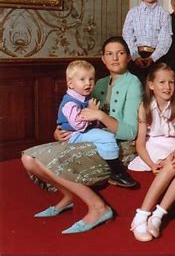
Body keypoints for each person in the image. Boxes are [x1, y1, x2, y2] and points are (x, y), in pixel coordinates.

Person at [21, 36, 142, 234]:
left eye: (120, 53)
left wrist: (101, 115)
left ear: (128, 57)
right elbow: (76, 115)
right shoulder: (98, 83)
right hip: (89, 136)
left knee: (43, 160)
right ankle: (69, 196)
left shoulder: (133, 84)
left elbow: (130, 132)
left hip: (116, 146)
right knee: (28, 159)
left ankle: (98, 207)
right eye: (109, 54)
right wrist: (59, 132)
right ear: (103, 59)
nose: (115, 58)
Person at [129, 63, 175, 242]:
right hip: (153, 147)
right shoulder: (144, 106)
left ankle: (157, 215)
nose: (167, 87)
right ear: (151, 85)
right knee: (174, 164)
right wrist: (151, 164)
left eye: (171, 82)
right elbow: (140, 144)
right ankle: (141, 215)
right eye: (162, 82)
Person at [57, 60, 136, 188]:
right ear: (70, 83)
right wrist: (94, 113)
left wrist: (95, 116)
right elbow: (79, 125)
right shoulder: (70, 103)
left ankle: (108, 161)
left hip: (82, 131)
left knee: (106, 133)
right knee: (107, 137)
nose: (88, 83)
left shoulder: (83, 97)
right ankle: (116, 171)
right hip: (74, 134)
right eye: (82, 80)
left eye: (91, 79)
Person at [122, 0, 172, 74]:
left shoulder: (164, 14)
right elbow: (127, 35)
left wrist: (153, 58)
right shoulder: (133, 13)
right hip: (136, 56)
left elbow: (165, 39)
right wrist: (135, 56)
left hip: (156, 57)